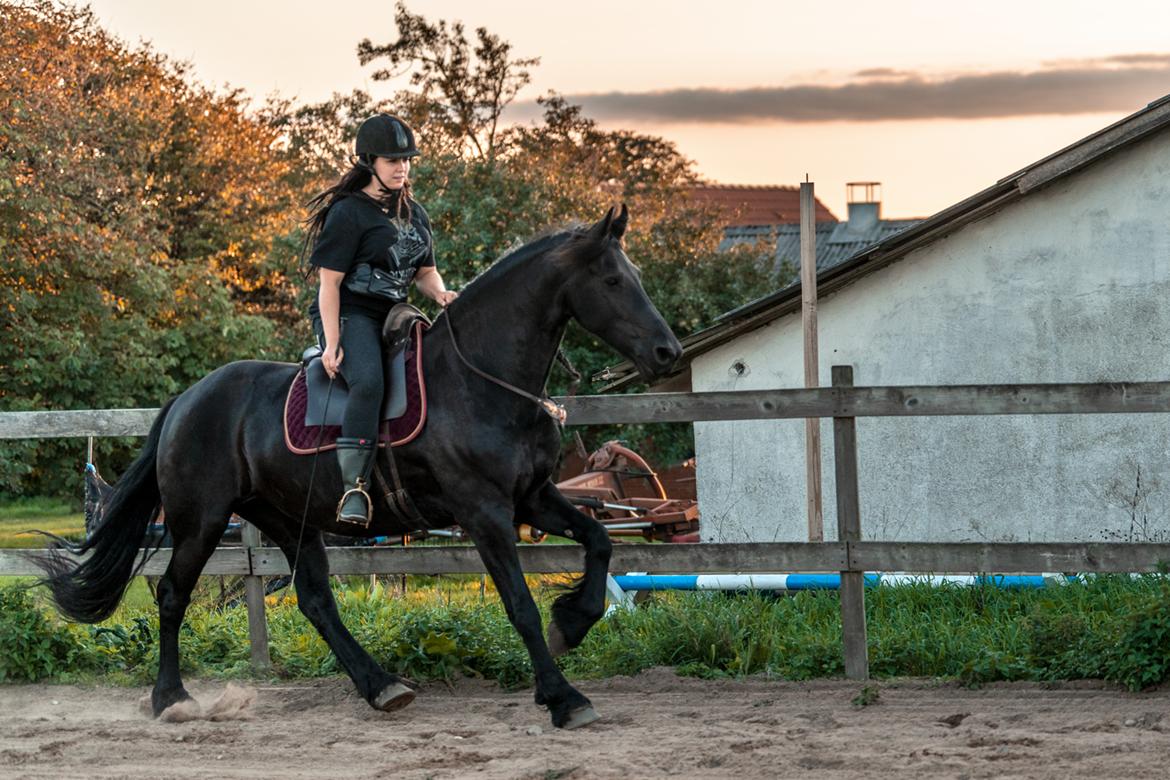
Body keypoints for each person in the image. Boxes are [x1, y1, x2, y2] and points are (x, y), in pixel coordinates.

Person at [302, 114, 457, 524]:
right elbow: (329, 284)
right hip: (350, 312)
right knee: (369, 382)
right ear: (370, 162)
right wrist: (332, 343)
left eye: (406, 160)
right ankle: (354, 490)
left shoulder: (415, 213)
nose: (402, 167)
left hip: (396, 316)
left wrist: (440, 292)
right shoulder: (349, 213)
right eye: (393, 160)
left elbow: (424, 273)